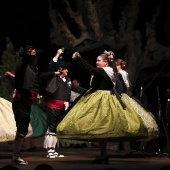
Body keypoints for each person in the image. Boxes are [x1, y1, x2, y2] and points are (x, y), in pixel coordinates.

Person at [56, 51, 159, 164]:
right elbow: (92, 71)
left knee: (103, 127)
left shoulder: (107, 71)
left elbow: (90, 70)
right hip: (101, 97)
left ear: (106, 62)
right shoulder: (106, 71)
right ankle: (103, 154)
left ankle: (105, 154)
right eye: (96, 60)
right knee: (101, 128)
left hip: (104, 99)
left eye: (99, 60)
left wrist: (79, 59)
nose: (96, 62)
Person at [11, 45, 59, 165]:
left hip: (26, 102)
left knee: (23, 129)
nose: (37, 57)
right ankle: (16, 156)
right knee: (22, 129)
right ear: (29, 57)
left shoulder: (33, 68)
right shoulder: (23, 66)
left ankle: (16, 155)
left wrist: (54, 73)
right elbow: (21, 82)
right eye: (35, 55)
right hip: (21, 101)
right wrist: (28, 53)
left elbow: (40, 76)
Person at [43, 49, 85, 158]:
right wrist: (57, 54)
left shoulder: (68, 79)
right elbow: (51, 66)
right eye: (65, 69)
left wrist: (88, 91)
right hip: (53, 106)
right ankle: (50, 151)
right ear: (60, 69)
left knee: (56, 129)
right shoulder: (54, 77)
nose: (67, 70)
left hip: (63, 107)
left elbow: (76, 88)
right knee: (51, 128)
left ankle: (53, 150)